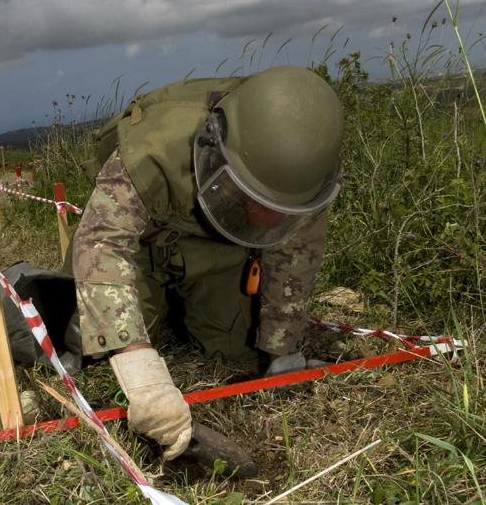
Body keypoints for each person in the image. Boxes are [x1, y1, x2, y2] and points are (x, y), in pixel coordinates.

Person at [70, 66, 344, 469]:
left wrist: (282, 352)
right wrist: (141, 373)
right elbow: (102, 243)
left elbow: (296, 259)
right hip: (143, 244)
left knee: (235, 349)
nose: (266, 218)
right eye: (252, 199)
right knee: (98, 344)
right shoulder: (152, 149)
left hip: (218, 245)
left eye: (274, 211)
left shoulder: (304, 181)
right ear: (215, 149)